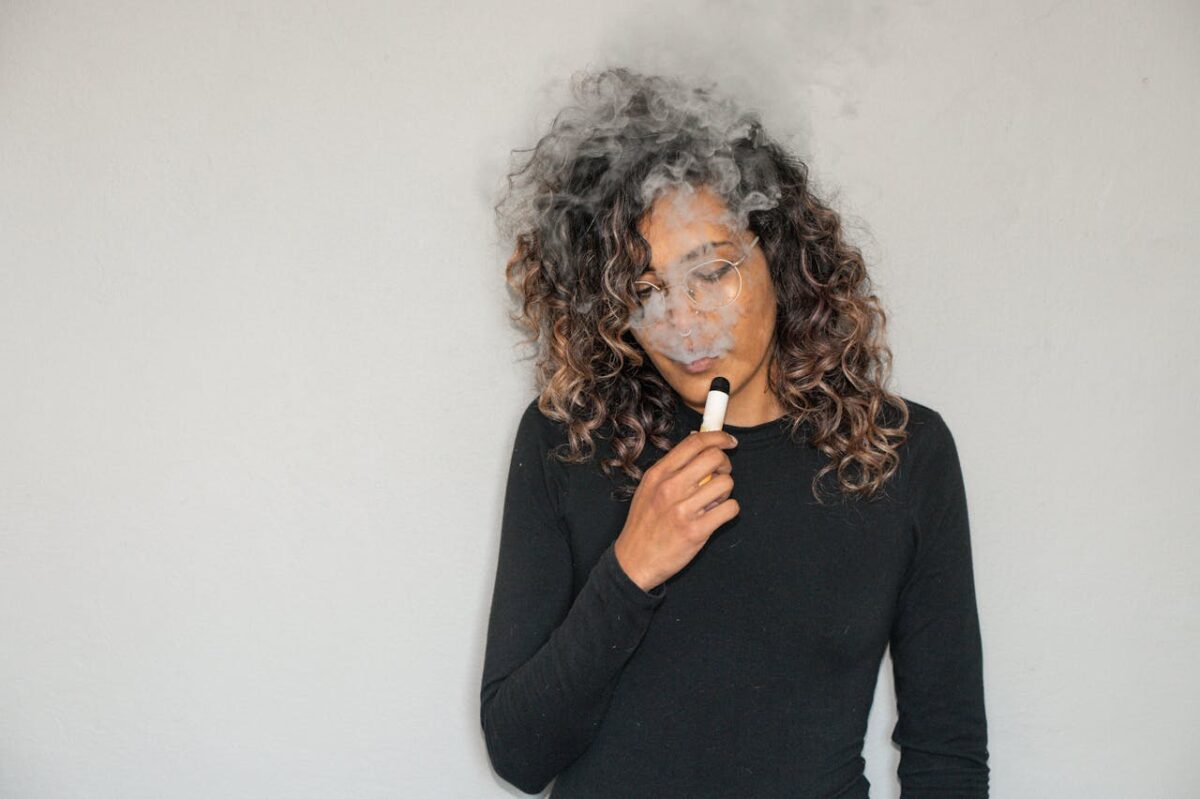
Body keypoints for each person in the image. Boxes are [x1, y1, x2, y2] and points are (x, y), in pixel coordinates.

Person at [480, 67, 989, 798]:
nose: (683, 322)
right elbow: (519, 753)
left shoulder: (903, 454)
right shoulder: (570, 438)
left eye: (712, 272)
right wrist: (629, 570)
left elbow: (949, 756)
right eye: (646, 290)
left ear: (778, 257)